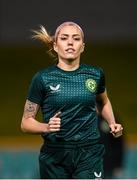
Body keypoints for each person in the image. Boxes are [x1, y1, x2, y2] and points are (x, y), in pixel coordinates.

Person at [21, 21, 123, 179]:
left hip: (89, 153)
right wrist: (46, 127)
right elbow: (26, 123)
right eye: (64, 38)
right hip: (55, 155)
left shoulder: (95, 75)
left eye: (76, 38)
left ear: (82, 46)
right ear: (55, 45)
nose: (70, 42)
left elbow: (103, 101)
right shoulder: (42, 78)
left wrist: (112, 123)